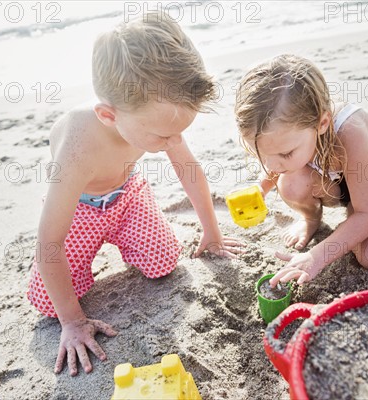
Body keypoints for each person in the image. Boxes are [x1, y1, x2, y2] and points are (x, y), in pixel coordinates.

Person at [27, 12, 243, 376]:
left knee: (164, 262)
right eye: (163, 137)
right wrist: (73, 322)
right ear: (108, 115)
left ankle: (127, 238)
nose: (174, 142)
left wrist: (212, 230)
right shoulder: (77, 147)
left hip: (128, 197)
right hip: (80, 210)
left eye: (181, 131)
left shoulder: (158, 115)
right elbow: (49, 240)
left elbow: (188, 170)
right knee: (50, 301)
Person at [234, 54, 368, 286]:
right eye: (263, 155)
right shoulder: (288, 140)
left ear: (322, 123)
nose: (272, 166)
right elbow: (276, 159)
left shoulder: (349, 130)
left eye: (285, 154)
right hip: (327, 180)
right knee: (292, 185)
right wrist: (261, 188)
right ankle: (310, 219)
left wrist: (316, 257)